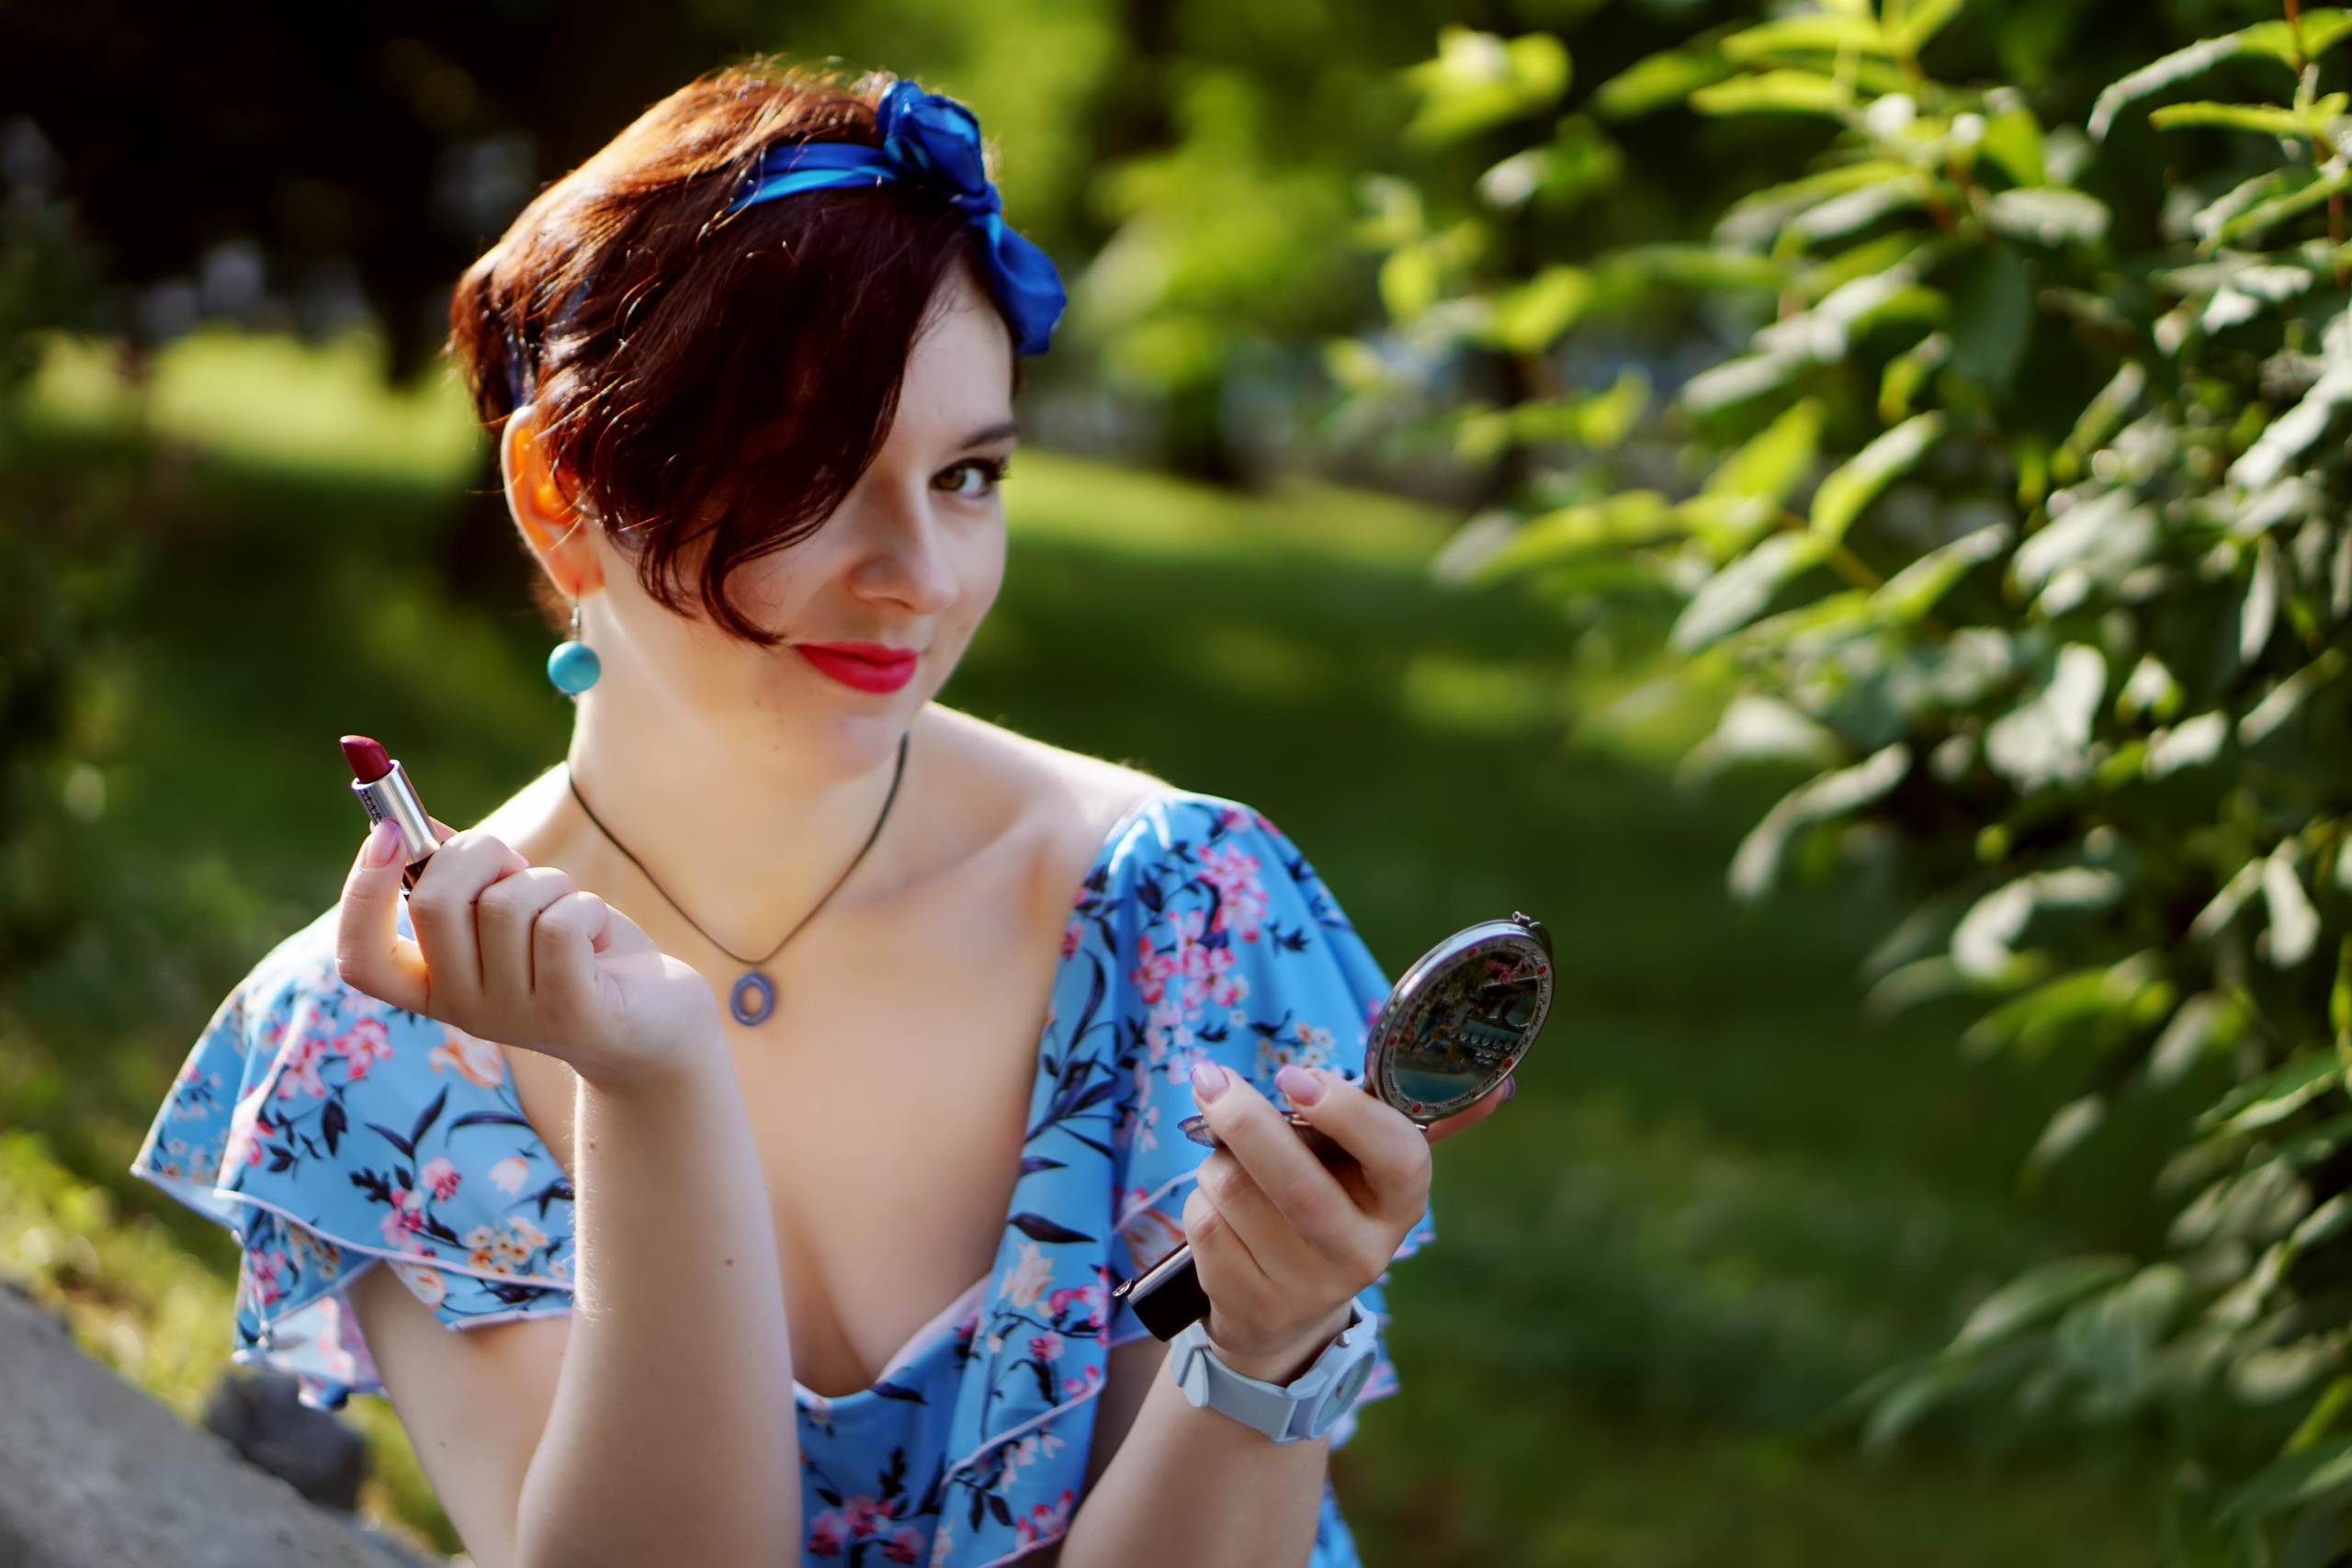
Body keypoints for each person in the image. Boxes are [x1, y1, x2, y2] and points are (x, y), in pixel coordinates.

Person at [132, 63, 1510, 1568]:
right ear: (559, 493)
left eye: (970, 473)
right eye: (812, 473)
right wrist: (651, 1090)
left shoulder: (1180, 909)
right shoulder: (384, 1029)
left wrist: (1266, 1346)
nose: (919, 572)